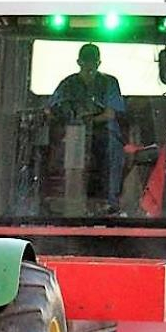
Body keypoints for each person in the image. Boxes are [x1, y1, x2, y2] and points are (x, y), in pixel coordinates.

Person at [47, 43, 126, 213]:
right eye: (85, 63)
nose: (89, 67)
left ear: (99, 63)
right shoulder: (67, 84)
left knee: (113, 150)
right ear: (78, 62)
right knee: (64, 149)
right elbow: (51, 110)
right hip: (74, 133)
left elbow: (110, 114)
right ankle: (68, 203)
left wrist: (89, 120)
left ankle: (110, 202)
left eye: (92, 63)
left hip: (104, 133)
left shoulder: (110, 83)